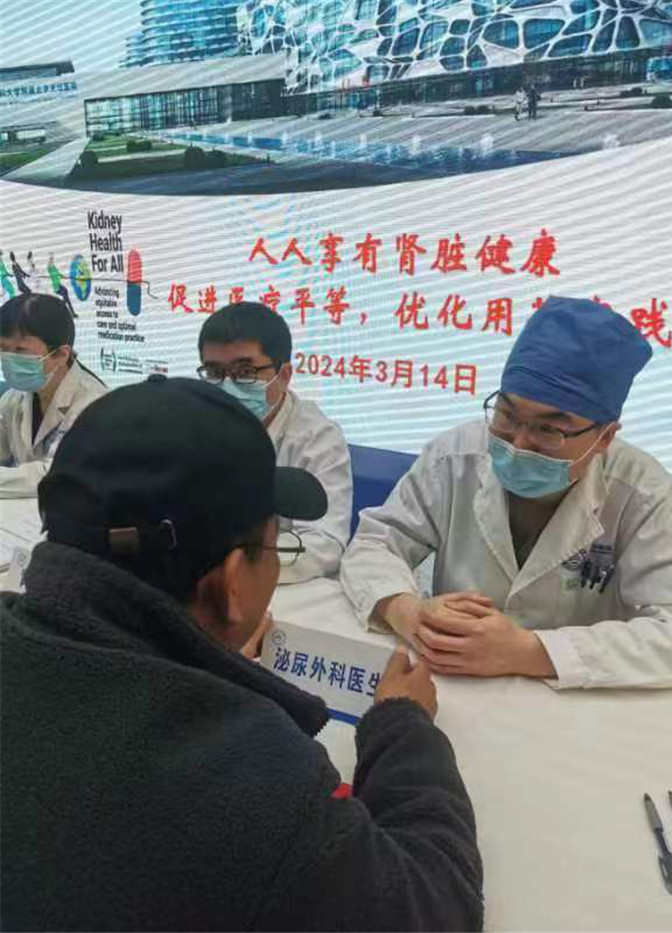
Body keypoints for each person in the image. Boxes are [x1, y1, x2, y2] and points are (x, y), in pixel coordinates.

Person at [0, 376, 484, 932]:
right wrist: (403, 727)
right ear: (233, 582)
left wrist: (205, 653)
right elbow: (434, 907)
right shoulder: (256, 788)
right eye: (273, 545)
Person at [340, 297, 672, 690]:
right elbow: (376, 543)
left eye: (549, 429)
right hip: (449, 684)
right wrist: (406, 610)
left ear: (604, 437)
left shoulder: (643, 492)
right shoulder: (455, 455)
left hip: (574, 702)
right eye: (507, 415)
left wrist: (531, 651)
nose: (518, 444)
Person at [198, 301, 352, 583]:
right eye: (214, 373)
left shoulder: (317, 438)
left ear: (284, 376)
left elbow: (324, 542)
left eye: (245, 373)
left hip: (282, 584)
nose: (227, 387)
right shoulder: (191, 423)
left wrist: (237, 563)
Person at [0, 292, 106, 498]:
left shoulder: (94, 404)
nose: (9, 358)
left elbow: (55, 475)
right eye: (3, 348)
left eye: (21, 350)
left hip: (73, 510)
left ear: (61, 354)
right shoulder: (15, 397)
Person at [47, 252, 78, 318]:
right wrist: (51, 257)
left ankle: (71, 313)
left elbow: (58, 274)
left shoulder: (54, 268)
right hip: (56, 287)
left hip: (59, 285)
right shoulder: (50, 269)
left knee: (66, 297)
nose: (52, 262)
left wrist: (63, 276)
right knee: (66, 298)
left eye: (52, 261)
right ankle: (61, 309)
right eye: (51, 261)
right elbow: (49, 264)